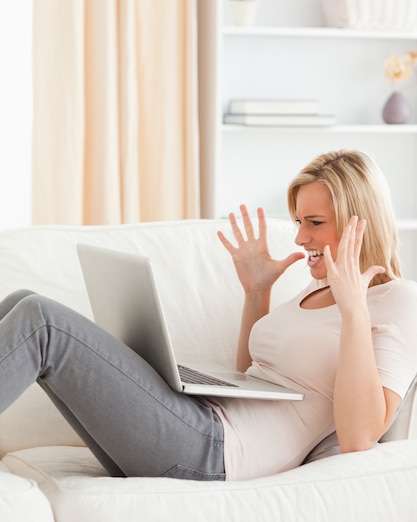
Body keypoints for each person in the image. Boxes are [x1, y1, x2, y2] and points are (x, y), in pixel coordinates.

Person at [0, 149, 416, 482]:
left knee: (43, 322)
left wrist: (354, 310)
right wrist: (257, 293)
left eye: (314, 222)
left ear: (358, 222)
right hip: (201, 423)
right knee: (21, 299)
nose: (300, 237)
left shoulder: (396, 301)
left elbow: (360, 437)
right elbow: (254, 378)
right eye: (297, 221)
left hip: (214, 451)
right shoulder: (318, 285)